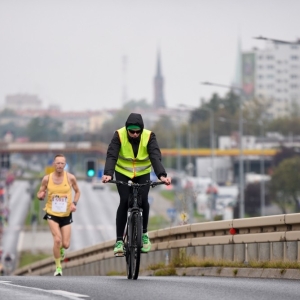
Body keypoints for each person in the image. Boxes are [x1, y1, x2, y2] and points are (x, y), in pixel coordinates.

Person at [102, 113, 171, 256]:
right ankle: (119, 241)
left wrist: (162, 175)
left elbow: (154, 156)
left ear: (141, 130)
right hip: (123, 171)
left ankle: (144, 234)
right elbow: (112, 155)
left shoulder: (149, 136)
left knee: (144, 200)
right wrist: (108, 173)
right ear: (127, 129)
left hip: (142, 172)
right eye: (131, 131)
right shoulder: (119, 135)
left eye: (137, 132)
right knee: (125, 200)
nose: (134, 134)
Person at [37, 154, 80, 276]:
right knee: (57, 240)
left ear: (65, 165)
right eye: (58, 163)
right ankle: (58, 268)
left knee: (65, 245)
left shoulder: (71, 178)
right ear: (54, 164)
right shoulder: (47, 179)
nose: (60, 165)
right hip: (52, 213)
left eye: (62, 163)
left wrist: (74, 203)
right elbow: (40, 192)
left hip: (66, 214)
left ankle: (61, 249)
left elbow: (77, 192)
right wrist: (40, 196)